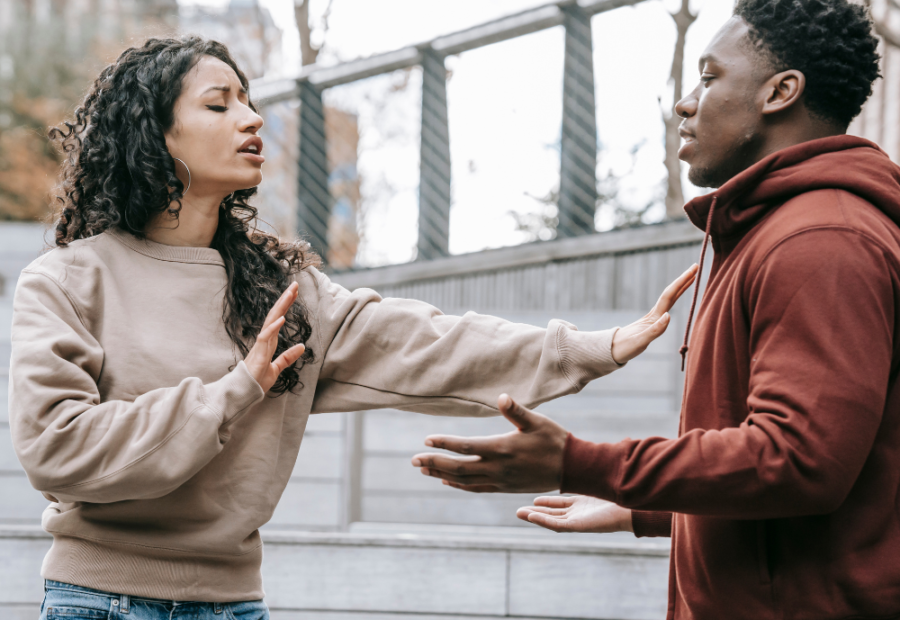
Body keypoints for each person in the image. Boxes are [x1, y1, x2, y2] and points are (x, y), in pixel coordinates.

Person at [7, 36, 696, 620]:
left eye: (248, 99)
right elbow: (56, 449)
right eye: (219, 104)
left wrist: (591, 347)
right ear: (153, 134)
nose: (251, 118)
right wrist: (236, 390)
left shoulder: (282, 290)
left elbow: (424, 343)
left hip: (235, 603)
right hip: (98, 600)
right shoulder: (69, 281)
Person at [412, 0, 900, 618]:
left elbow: (797, 461)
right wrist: (645, 509)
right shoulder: (774, 231)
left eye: (709, 76)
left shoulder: (821, 241)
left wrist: (579, 463)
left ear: (780, 92)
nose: (685, 102)